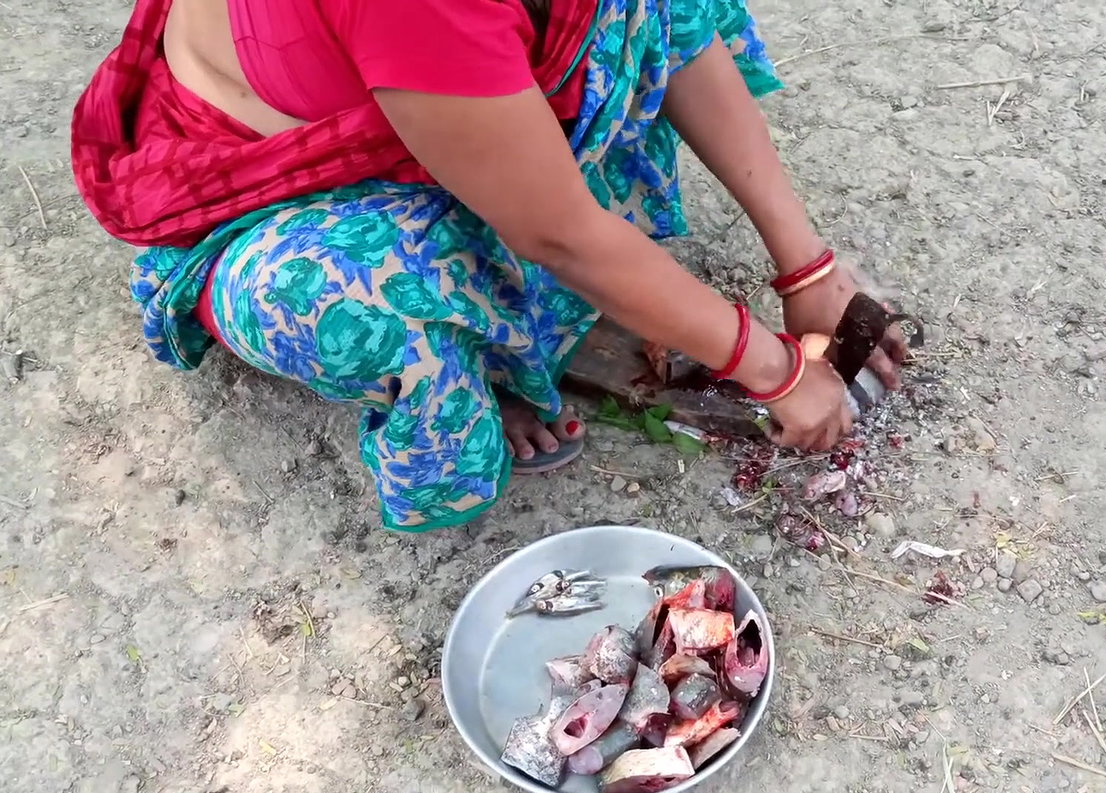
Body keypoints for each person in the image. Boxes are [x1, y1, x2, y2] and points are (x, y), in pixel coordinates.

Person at [71, 0, 907, 532]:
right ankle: (480, 358)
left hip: (435, 96)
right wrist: (771, 371)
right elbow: (562, 235)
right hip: (286, 193)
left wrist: (808, 271)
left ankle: (512, 304)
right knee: (359, 301)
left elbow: (668, 20)